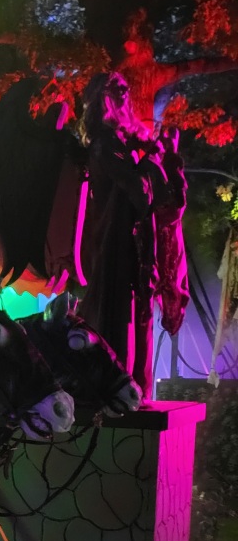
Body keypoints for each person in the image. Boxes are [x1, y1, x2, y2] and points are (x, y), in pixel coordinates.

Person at [77, 71, 188, 401]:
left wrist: (161, 155)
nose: (125, 92)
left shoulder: (126, 141)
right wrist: (154, 158)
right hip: (116, 242)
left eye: (126, 87)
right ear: (103, 97)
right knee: (122, 316)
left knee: (140, 315)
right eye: (116, 87)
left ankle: (138, 391)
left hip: (137, 240)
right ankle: (121, 391)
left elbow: (154, 193)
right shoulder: (104, 143)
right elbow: (138, 189)